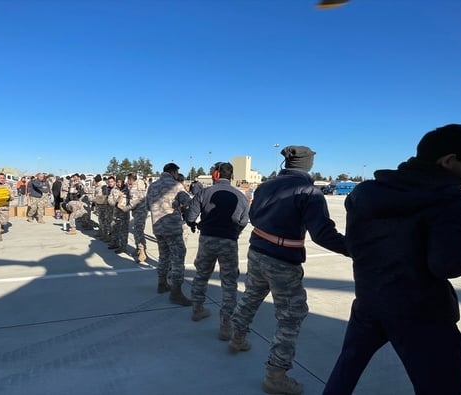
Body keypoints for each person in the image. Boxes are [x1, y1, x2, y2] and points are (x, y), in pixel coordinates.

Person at [323, 124, 461, 395]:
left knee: (345, 372)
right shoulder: (447, 200)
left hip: (369, 301)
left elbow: (353, 245)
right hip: (423, 314)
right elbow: (449, 264)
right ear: (447, 161)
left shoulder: (364, 194)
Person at [230, 146, 348, 395]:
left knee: (251, 297)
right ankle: (276, 375)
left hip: (257, 251)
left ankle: (237, 337)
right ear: (307, 164)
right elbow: (323, 234)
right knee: (291, 316)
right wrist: (355, 248)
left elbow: (253, 215)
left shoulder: (264, 186)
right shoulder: (309, 191)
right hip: (282, 260)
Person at [185, 162, 250, 341]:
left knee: (201, 274)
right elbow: (244, 220)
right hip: (229, 241)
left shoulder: (204, 192)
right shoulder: (240, 196)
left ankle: (197, 309)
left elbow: (190, 216)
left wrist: (194, 225)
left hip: (207, 239)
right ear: (231, 176)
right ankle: (226, 324)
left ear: (216, 174)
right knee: (229, 282)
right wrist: (235, 231)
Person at [145, 163, 193, 306]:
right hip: (172, 228)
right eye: (177, 173)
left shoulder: (152, 186)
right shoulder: (176, 185)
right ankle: (176, 293)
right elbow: (188, 203)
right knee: (178, 257)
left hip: (158, 227)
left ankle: (162, 283)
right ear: (173, 172)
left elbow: (148, 206)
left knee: (163, 255)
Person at [119, 173, 148, 262]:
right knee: (136, 231)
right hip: (139, 212)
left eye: (128, 179)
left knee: (138, 232)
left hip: (140, 212)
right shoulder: (136, 185)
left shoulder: (135, 188)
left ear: (131, 179)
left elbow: (133, 203)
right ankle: (138, 249)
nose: (127, 181)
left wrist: (124, 208)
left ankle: (143, 253)